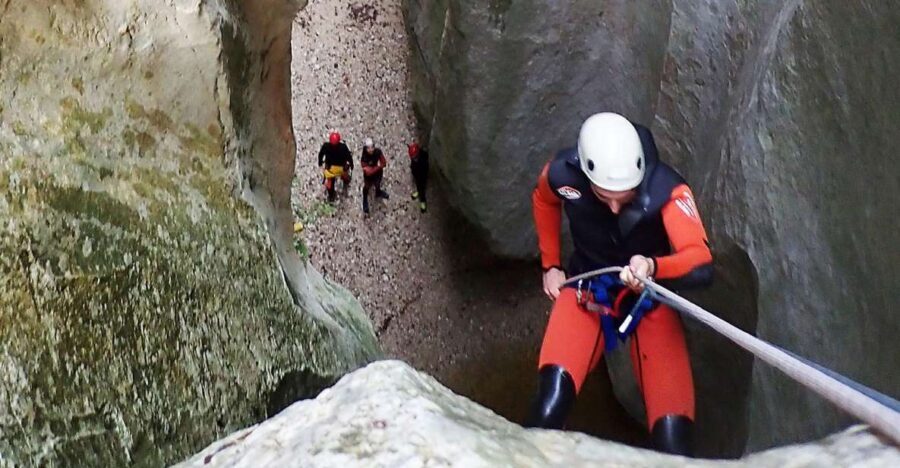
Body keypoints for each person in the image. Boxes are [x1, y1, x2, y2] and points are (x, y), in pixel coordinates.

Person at [527, 112, 713, 456]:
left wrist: (654, 266)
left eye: (623, 198)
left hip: (648, 301)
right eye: (604, 195)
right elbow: (543, 199)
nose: (614, 208)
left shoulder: (666, 190)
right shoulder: (563, 173)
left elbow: (700, 262)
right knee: (548, 407)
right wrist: (550, 265)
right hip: (589, 290)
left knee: (674, 441)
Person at [318, 131, 353, 202]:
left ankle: (331, 195)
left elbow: (321, 154)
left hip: (330, 168)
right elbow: (348, 157)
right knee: (345, 174)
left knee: (330, 182)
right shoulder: (343, 147)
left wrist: (320, 163)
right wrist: (352, 165)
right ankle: (346, 180)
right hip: (341, 168)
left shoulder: (326, 146)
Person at [360, 138, 389, 214]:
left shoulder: (378, 152)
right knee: (366, 186)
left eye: (372, 147)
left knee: (377, 183)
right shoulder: (364, 157)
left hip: (378, 173)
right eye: (368, 148)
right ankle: (365, 199)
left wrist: (375, 168)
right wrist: (378, 167)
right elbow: (368, 172)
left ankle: (378, 192)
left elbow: (384, 163)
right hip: (369, 176)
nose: (370, 150)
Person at [408, 142, 429, 213]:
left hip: (422, 175)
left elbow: (426, 164)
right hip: (417, 175)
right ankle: (418, 192)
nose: (414, 158)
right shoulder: (414, 161)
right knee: (418, 186)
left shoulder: (422, 157)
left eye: (415, 157)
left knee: (422, 189)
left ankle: (423, 201)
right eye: (413, 157)